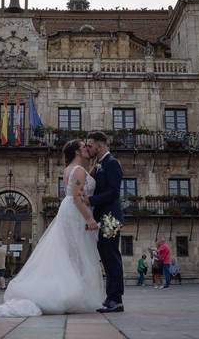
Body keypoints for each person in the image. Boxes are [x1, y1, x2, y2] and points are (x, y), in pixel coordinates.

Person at [0, 139, 105, 316]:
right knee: (77, 253)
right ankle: (70, 293)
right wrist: (89, 218)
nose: (87, 148)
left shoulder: (68, 169)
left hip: (69, 211)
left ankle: (72, 291)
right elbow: (77, 197)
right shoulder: (79, 170)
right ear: (77, 152)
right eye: (83, 146)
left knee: (70, 253)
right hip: (76, 212)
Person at [85, 131, 126, 313]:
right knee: (106, 257)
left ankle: (116, 299)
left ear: (100, 146)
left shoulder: (112, 163)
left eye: (90, 145)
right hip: (103, 218)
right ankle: (111, 297)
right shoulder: (99, 164)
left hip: (111, 218)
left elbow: (113, 192)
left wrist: (91, 201)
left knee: (111, 257)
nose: (89, 148)